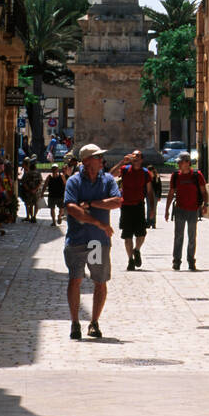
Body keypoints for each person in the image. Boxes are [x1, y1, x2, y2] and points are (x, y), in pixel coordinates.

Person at [63, 144, 122, 339]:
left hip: (98, 242)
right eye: (97, 157)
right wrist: (97, 221)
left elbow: (116, 201)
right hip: (78, 239)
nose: (101, 159)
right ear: (87, 161)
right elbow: (72, 208)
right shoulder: (74, 181)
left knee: (100, 280)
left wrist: (91, 204)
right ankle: (74, 323)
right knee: (75, 279)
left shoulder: (107, 180)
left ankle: (94, 322)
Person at [165, 152, 208, 271]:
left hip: (193, 210)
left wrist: (205, 204)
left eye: (180, 162)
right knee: (178, 237)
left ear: (188, 163)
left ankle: (191, 261)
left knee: (192, 237)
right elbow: (171, 193)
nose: (178, 164)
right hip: (179, 210)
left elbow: (204, 191)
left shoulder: (196, 175)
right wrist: (167, 209)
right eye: (178, 162)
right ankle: (176, 261)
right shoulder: (175, 176)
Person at [110, 151, 153, 270]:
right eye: (133, 156)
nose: (135, 158)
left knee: (142, 234)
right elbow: (110, 175)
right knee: (127, 235)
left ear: (142, 160)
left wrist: (152, 209)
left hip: (139, 205)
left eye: (138, 156)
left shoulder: (145, 173)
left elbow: (149, 192)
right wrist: (121, 162)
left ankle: (137, 250)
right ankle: (130, 260)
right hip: (126, 206)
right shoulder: (124, 169)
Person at [19, 157, 41, 222]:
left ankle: (30, 216)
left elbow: (24, 182)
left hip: (29, 191)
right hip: (35, 191)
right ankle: (33, 216)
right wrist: (36, 189)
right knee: (34, 204)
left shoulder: (27, 173)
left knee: (29, 204)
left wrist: (29, 189)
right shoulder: (38, 173)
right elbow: (40, 182)